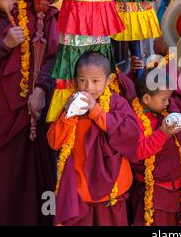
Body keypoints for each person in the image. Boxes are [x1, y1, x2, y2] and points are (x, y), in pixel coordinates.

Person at [0, 0, 58, 225]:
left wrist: (42, 90)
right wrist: (4, 44)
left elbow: (55, 58)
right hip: (1, 119)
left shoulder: (40, 16)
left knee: (41, 182)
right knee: (3, 187)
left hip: (35, 117)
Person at [47, 52, 140, 226]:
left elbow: (131, 135)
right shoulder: (70, 104)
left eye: (95, 81)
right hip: (79, 189)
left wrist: (96, 111)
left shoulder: (117, 103)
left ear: (109, 80)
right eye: (82, 80)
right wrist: (70, 114)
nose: (88, 87)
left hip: (113, 188)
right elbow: (54, 142)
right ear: (75, 80)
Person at [129, 68, 181, 226]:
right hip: (154, 194)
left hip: (176, 190)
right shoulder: (134, 119)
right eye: (164, 99)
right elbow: (139, 151)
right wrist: (163, 132)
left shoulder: (164, 111)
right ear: (147, 98)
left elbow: (179, 137)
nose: (168, 103)